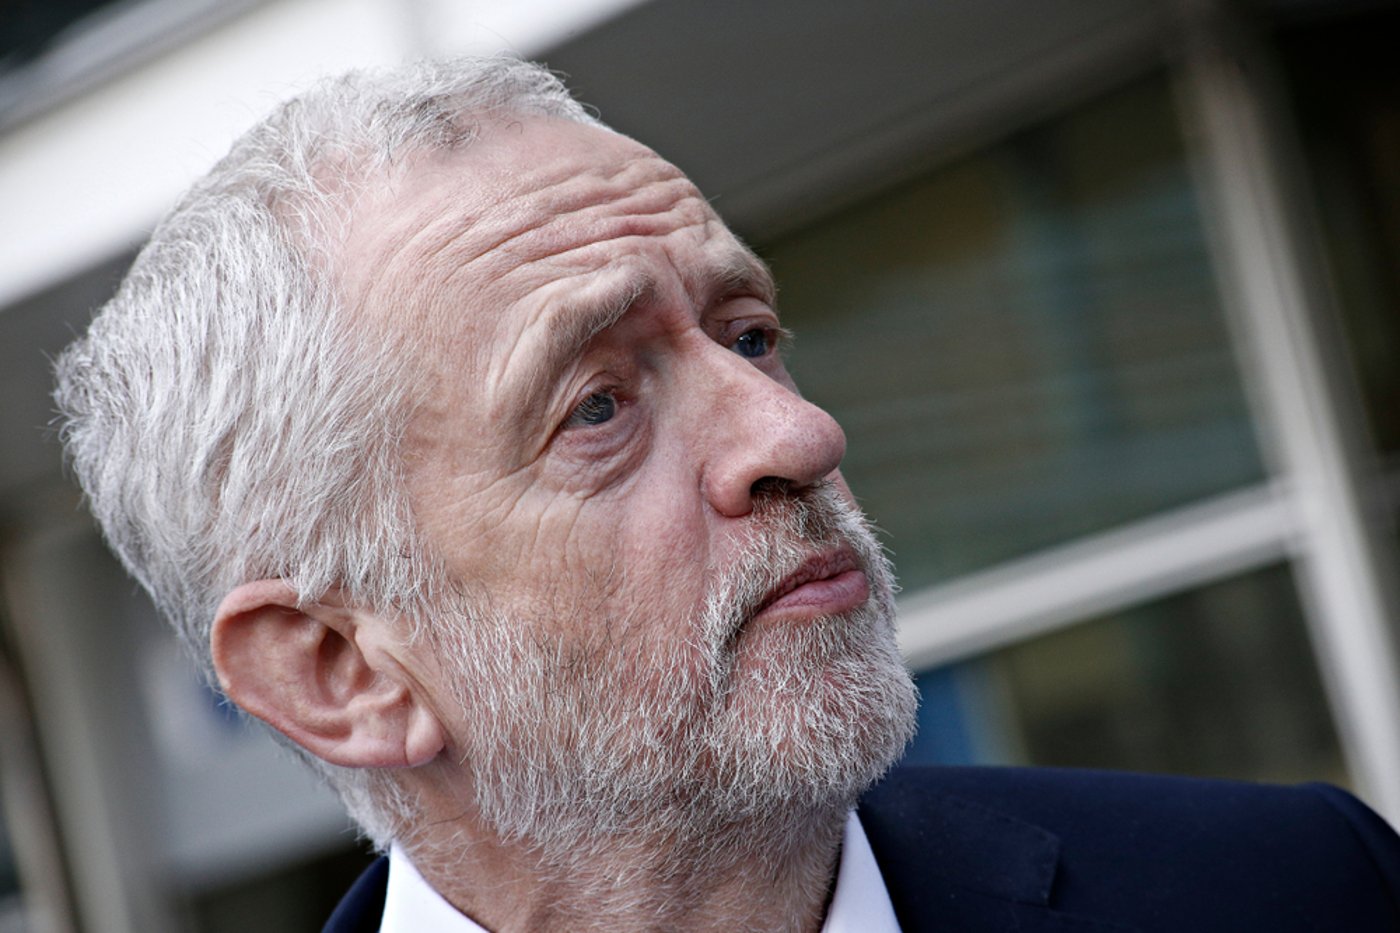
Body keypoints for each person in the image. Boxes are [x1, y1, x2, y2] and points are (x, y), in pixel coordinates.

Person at [53, 58, 1400, 933]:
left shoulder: (1295, 892)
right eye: (596, 407)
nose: (798, 433)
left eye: (749, 335)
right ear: (339, 668)